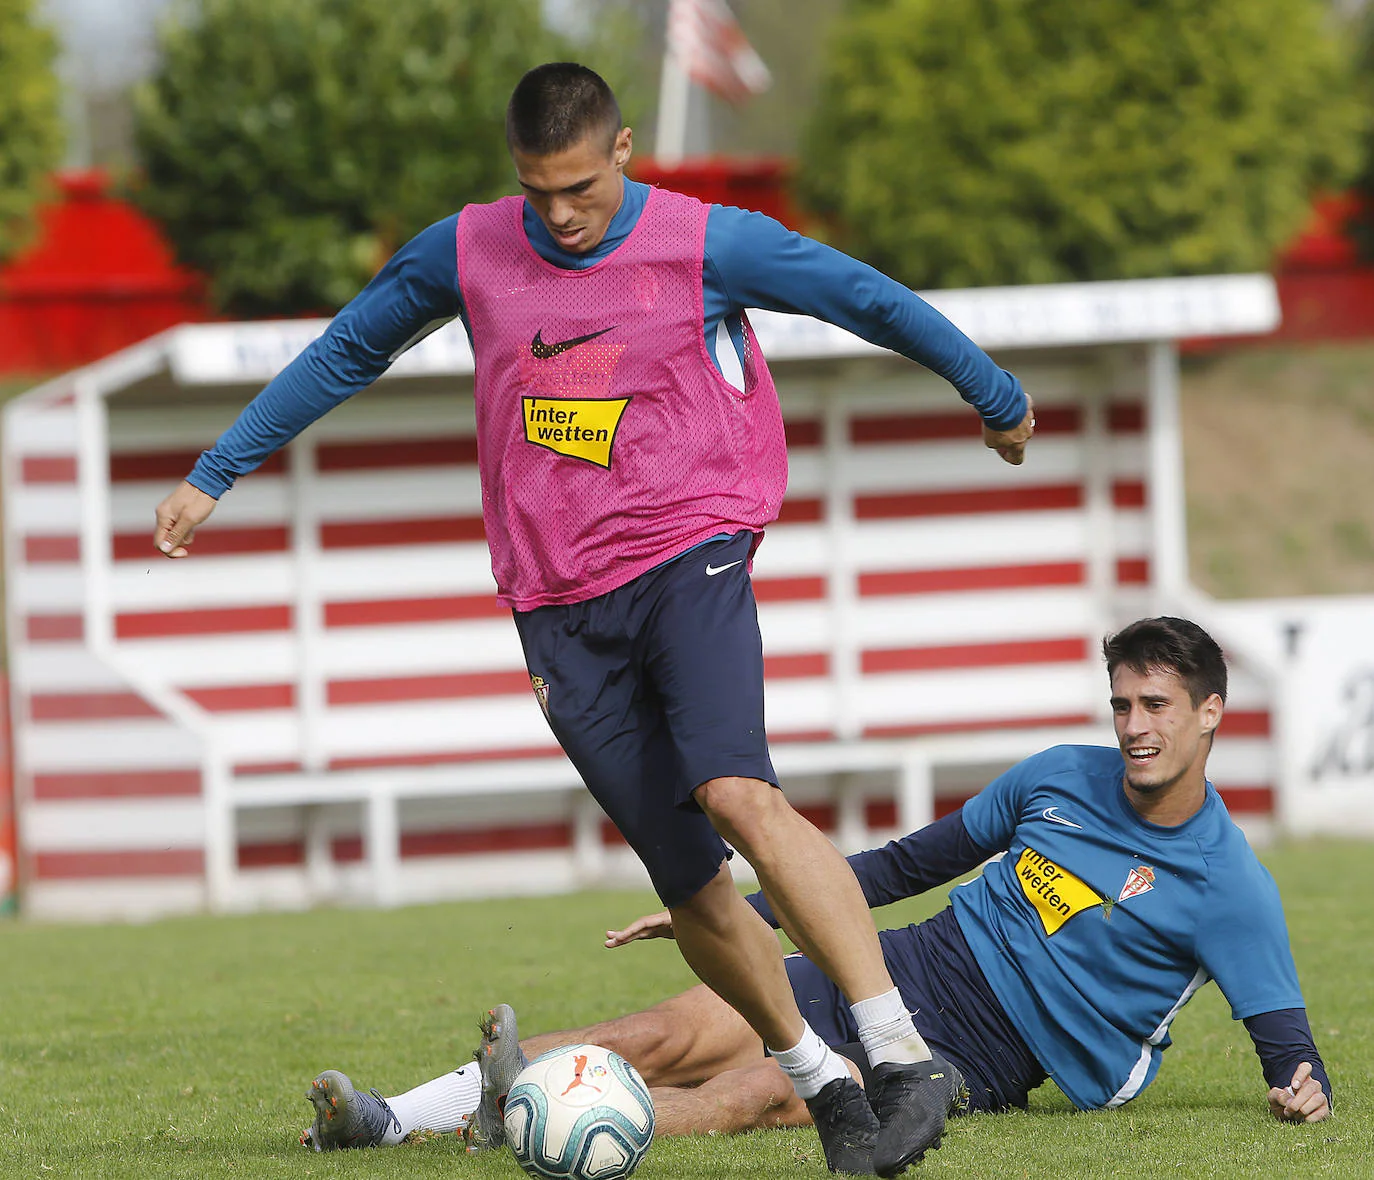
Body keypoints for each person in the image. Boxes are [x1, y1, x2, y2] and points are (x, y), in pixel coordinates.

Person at [154, 62, 1036, 1176]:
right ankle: (824, 1079)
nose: (562, 215)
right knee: (689, 881)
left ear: (624, 149)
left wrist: (993, 394)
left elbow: (862, 293)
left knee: (736, 790)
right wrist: (216, 471)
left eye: (580, 187)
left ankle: (902, 1052)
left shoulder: (710, 241)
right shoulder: (467, 251)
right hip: (557, 606)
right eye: (539, 192)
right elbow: (348, 348)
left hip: (690, 550)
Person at [297, 617, 1331, 1156]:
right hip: (896, 964)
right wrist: (729, 913)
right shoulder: (1059, 774)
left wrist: (1300, 1089)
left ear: (1209, 714)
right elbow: (892, 870)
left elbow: (1289, 1048)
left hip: (980, 1051)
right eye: (1120, 703)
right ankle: (389, 1118)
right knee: (665, 1027)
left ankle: (534, 1117)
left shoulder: (1230, 886)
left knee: (756, 1093)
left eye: (1155, 704)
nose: (1134, 725)